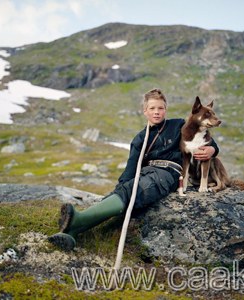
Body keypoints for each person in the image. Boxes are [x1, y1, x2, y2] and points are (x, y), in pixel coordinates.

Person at [48, 88, 219, 251]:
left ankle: (78, 221)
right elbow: (131, 169)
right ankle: (71, 233)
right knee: (124, 190)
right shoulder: (139, 139)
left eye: (160, 108)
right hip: (145, 173)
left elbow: (202, 138)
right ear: (145, 111)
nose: (156, 112)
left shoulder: (178, 125)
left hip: (168, 174)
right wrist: (120, 188)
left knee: (139, 188)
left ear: (166, 110)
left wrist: (213, 150)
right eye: (152, 108)